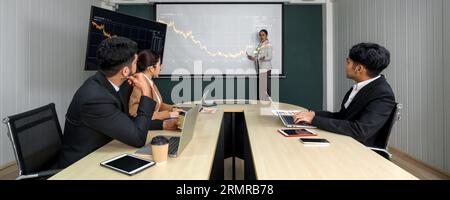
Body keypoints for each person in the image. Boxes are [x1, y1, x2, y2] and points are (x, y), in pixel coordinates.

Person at [59, 37, 175, 168]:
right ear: (125, 71)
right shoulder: (96, 99)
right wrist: (146, 92)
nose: (138, 66)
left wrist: (163, 125)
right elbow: (137, 138)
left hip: (100, 155)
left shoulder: (105, 83)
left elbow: (128, 122)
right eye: (136, 62)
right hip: (80, 168)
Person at [293, 43, 396, 147]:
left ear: (359, 69)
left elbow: (360, 131)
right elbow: (342, 117)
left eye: (348, 62)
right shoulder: (361, 87)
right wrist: (313, 114)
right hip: (345, 139)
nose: (346, 66)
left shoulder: (383, 94)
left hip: (359, 149)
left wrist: (314, 120)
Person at [129, 50, 183, 121]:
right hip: (147, 129)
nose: (161, 68)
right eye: (159, 65)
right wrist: (169, 114)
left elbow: (158, 105)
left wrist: (173, 109)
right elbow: (135, 112)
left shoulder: (150, 82)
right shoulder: (139, 85)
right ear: (151, 68)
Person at [247, 29, 273, 99]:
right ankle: (263, 105)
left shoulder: (268, 45)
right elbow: (255, 56)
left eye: (263, 35)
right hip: (260, 68)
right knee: (262, 88)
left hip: (266, 68)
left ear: (266, 36)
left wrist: (263, 58)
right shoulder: (259, 46)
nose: (261, 37)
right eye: (260, 35)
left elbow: (270, 57)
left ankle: (269, 104)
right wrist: (251, 57)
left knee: (265, 88)